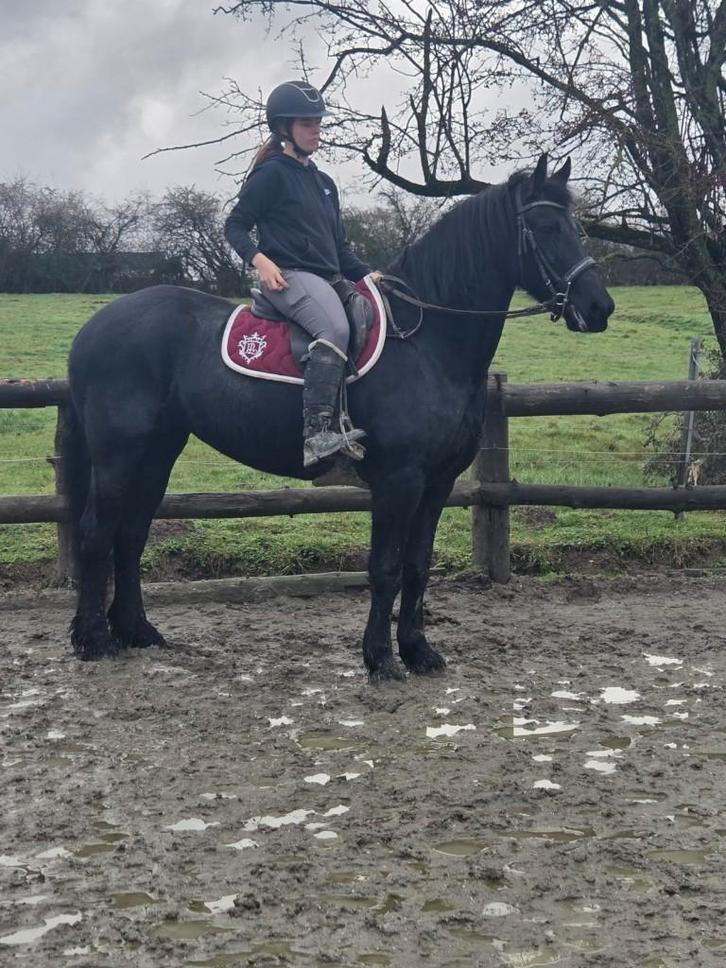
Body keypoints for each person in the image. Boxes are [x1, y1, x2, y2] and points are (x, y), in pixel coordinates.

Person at [224, 80, 381, 469]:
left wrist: (370, 276)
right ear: (283, 128)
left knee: (369, 315)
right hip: (288, 277)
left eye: (318, 123)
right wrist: (260, 262)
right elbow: (236, 226)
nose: (316, 130)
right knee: (335, 331)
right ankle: (317, 434)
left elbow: (340, 248)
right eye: (307, 123)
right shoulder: (272, 175)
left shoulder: (324, 183)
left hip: (328, 277)